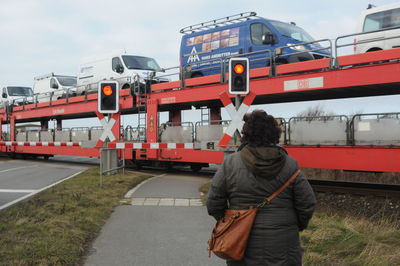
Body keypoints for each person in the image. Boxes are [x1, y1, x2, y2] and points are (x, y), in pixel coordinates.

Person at [207, 109, 316, 266]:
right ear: (274, 134)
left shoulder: (230, 164)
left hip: (241, 243)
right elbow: (307, 203)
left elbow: (213, 203)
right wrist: (293, 225)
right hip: (284, 244)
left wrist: (230, 222)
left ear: (246, 134)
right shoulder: (290, 164)